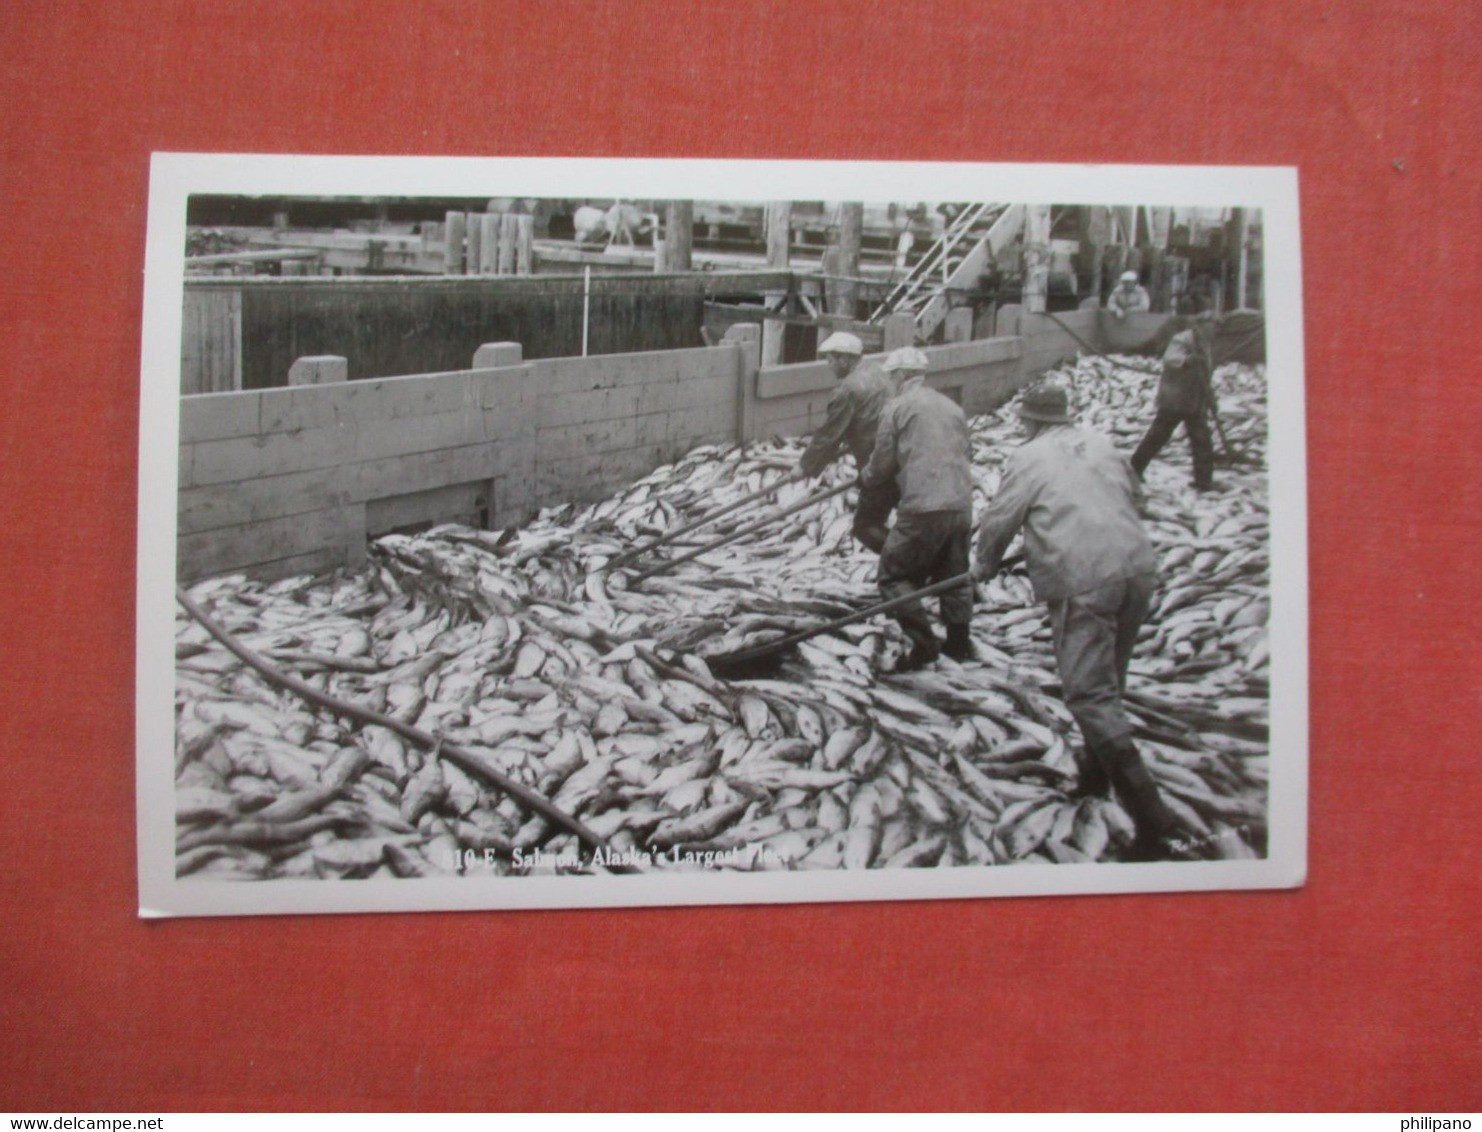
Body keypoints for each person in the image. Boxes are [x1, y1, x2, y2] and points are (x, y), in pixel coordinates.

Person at [972, 381, 1184, 861]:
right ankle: (1095, 774)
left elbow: (1000, 518)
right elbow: (1137, 498)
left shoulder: (1028, 457)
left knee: (1088, 694)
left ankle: (1156, 821)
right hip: (1136, 568)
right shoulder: (1102, 443)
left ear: (1030, 421)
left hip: (1085, 579)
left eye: (1024, 419)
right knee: (1108, 681)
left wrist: (983, 565)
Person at [861, 346, 976, 671]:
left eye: (890, 376)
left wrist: (866, 477)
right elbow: (967, 450)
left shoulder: (897, 407)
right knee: (954, 575)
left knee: (893, 575)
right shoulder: (952, 407)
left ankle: (923, 644)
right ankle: (959, 644)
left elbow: (882, 464)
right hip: (960, 503)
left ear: (899, 376)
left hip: (924, 507)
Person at [797, 332, 898, 551]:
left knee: (865, 526)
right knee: (908, 515)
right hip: (901, 457)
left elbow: (828, 434)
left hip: (879, 466)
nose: (828, 365)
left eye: (830, 360)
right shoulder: (879, 372)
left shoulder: (848, 390)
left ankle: (907, 563)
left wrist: (804, 467)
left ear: (844, 359)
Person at [1129, 311, 1217, 492]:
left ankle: (1203, 481)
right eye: (1210, 326)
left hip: (1195, 399)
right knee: (1158, 436)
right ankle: (1134, 469)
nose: (1213, 330)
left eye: (1215, 327)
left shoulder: (1206, 342)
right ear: (1199, 325)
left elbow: (1206, 373)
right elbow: (1170, 359)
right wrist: (1188, 360)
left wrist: (1210, 398)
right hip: (1175, 399)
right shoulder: (1183, 339)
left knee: (1202, 440)